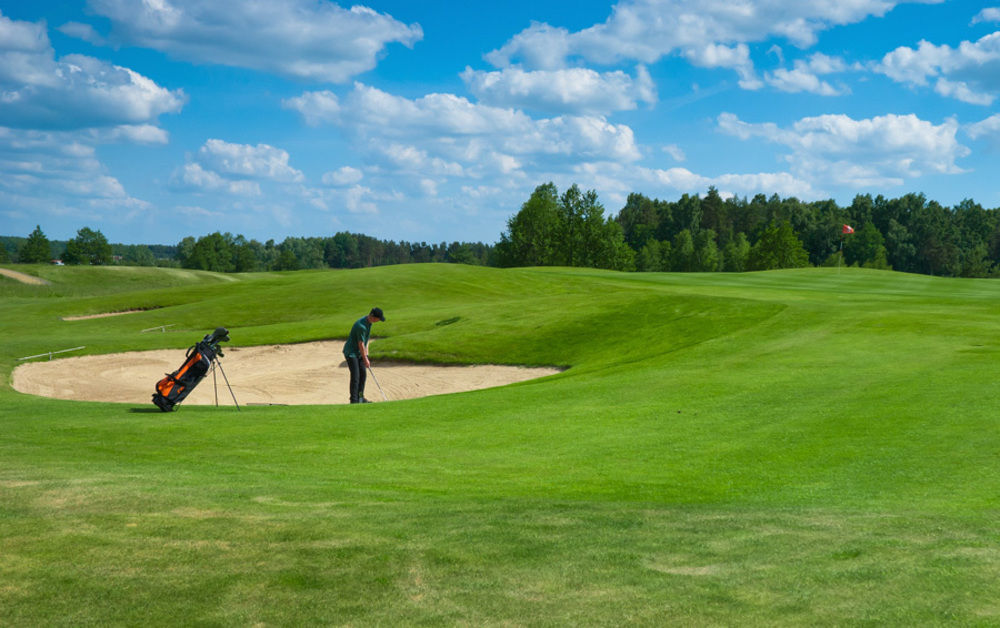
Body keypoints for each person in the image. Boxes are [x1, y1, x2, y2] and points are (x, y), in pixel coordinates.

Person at [343, 307, 385, 403]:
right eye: (378, 319)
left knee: (363, 375)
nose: (378, 321)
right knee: (356, 377)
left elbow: (366, 341)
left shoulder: (369, 323)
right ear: (373, 317)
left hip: (359, 353)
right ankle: (354, 401)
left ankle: (360, 398)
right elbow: (361, 344)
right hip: (351, 353)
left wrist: (366, 355)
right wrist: (365, 359)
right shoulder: (361, 326)